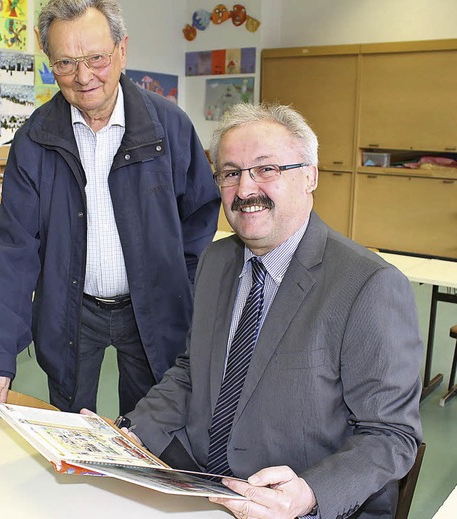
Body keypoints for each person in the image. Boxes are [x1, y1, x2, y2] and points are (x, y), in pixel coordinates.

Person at [124, 103, 423, 518]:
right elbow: (192, 372)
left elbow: (390, 434)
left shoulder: (369, 285)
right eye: (230, 173)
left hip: (298, 501)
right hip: (201, 483)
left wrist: (308, 494)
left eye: (266, 169)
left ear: (309, 176)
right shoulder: (214, 262)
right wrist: (128, 433)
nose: (245, 191)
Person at [0, 0, 220, 431]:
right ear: (49, 61)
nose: (83, 77)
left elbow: (200, 217)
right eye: (65, 63)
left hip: (150, 309)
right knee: (68, 429)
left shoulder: (168, 127)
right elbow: (12, 250)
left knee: (150, 428)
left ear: (122, 50)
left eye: (96, 58)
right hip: (71, 310)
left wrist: (180, 285)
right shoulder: (35, 140)